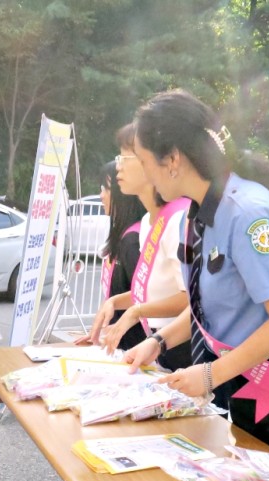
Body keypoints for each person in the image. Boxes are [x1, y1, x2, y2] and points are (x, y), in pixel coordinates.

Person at [124, 90, 269, 481]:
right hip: (249, 379)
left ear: (173, 159)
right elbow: (207, 306)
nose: (146, 172)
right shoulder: (199, 213)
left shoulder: (246, 213)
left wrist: (210, 375)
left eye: (145, 161)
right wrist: (158, 342)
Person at [87, 125, 192, 369]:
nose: (118, 165)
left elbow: (189, 298)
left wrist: (135, 311)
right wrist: (115, 302)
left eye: (125, 156)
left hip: (183, 350)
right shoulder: (147, 221)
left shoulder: (179, 218)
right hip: (159, 348)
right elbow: (155, 291)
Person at [76, 160, 145, 353]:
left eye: (106, 189)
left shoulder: (132, 241)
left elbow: (144, 296)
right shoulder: (122, 236)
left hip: (135, 349)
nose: (101, 195)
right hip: (119, 344)